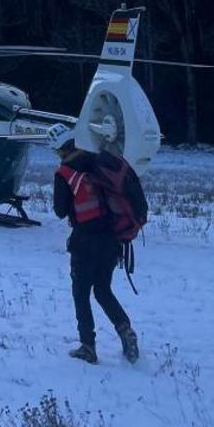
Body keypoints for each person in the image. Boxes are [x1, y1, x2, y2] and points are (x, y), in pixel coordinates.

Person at [49, 124, 147, 365]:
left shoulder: (65, 173)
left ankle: (88, 347)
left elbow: (60, 211)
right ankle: (125, 330)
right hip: (111, 239)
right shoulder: (99, 161)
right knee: (103, 289)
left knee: (81, 293)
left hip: (84, 240)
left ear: (58, 149)